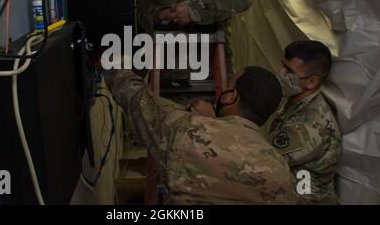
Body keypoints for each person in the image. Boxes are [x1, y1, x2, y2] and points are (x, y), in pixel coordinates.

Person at [104, 66, 298, 205]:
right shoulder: (281, 169)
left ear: (231, 96)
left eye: (228, 86)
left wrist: (111, 62)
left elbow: (135, 97)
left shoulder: (187, 131)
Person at [263, 40, 342, 205]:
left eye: (289, 71)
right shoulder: (296, 103)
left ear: (312, 82)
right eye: (282, 65)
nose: (280, 73)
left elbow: (262, 159)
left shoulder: (312, 124)